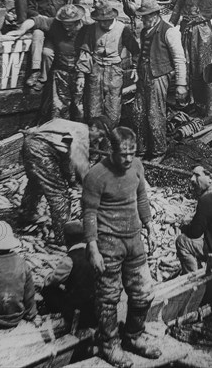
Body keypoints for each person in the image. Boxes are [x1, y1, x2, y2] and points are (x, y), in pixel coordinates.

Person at [83, 127, 161, 368]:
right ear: (110, 150)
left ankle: (133, 336)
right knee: (108, 296)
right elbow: (89, 213)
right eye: (123, 154)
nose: (128, 159)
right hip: (108, 243)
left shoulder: (137, 166)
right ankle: (109, 344)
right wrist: (93, 248)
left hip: (134, 240)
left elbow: (141, 197)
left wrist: (149, 225)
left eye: (132, 153)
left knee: (143, 290)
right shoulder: (96, 175)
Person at [19, 118, 92, 244]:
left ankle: (26, 213)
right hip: (40, 150)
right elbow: (81, 165)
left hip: (29, 144)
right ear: (94, 128)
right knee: (59, 195)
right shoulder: (83, 133)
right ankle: (64, 237)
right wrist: (88, 186)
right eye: (100, 135)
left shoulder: (68, 126)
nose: (100, 140)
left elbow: (66, 156)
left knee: (36, 183)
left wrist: (71, 179)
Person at [8, 4, 87, 121]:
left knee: (80, 108)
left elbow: (88, 54)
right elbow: (34, 21)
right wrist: (21, 30)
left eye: (70, 25)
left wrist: (82, 75)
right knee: (59, 107)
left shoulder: (87, 30)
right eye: (64, 24)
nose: (66, 28)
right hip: (61, 71)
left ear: (77, 21)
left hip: (79, 72)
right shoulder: (55, 24)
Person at [133, 0, 187, 159]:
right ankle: (141, 149)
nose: (144, 20)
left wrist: (181, 84)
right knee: (138, 112)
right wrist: (136, 70)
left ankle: (158, 151)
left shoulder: (169, 31)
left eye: (147, 16)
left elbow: (179, 59)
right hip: (143, 76)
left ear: (156, 14)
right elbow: (142, 54)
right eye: (142, 17)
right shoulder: (144, 32)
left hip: (159, 77)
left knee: (155, 113)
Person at [75, 2, 139, 127]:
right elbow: (85, 51)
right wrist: (81, 75)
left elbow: (135, 50)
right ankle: (95, 137)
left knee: (113, 108)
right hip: (95, 69)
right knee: (93, 108)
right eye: (100, 21)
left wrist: (135, 67)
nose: (102, 24)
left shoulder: (123, 29)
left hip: (114, 70)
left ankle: (111, 136)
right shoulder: (92, 29)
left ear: (112, 18)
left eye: (106, 21)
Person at [42, 220, 96, 329]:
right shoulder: (94, 255)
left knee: (48, 290)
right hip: (94, 305)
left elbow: (52, 281)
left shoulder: (69, 260)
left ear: (67, 240)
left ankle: (62, 316)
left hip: (77, 308)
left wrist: (47, 276)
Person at [26, 0, 70, 91]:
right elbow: (30, 8)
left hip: (58, 25)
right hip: (43, 23)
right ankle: (35, 71)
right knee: (37, 35)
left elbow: (71, 3)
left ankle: (43, 79)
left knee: (47, 53)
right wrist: (38, 16)